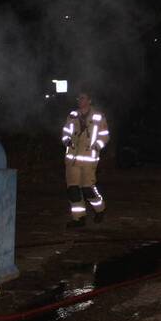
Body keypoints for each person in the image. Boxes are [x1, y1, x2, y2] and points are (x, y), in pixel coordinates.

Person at [61, 93, 110, 226]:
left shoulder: (98, 116)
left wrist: (97, 146)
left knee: (87, 188)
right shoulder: (72, 115)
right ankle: (78, 218)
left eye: (82, 98)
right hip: (72, 159)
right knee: (73, 189)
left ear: (89, 100)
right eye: (78, 98)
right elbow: (65, 132)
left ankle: (100, 210)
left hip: (89, 158)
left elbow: (105, 135)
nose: (79, 100)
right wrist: (67, 141)